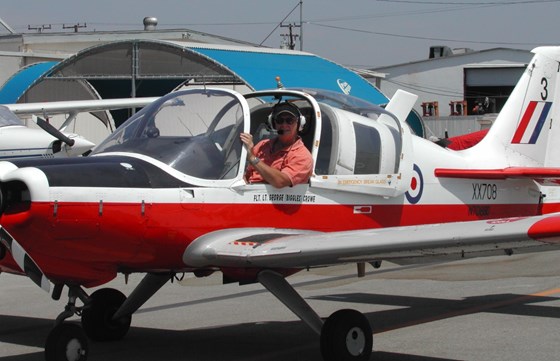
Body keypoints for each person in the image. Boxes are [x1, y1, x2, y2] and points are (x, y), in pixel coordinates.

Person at [240, 101, 313, 188]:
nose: (284, 125)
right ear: (273, 123)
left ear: (299, 124)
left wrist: (253, 158)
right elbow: (247, 176)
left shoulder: (303, 156)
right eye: (280, 120)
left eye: (290, 120)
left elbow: (280, 182)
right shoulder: (262, 145)